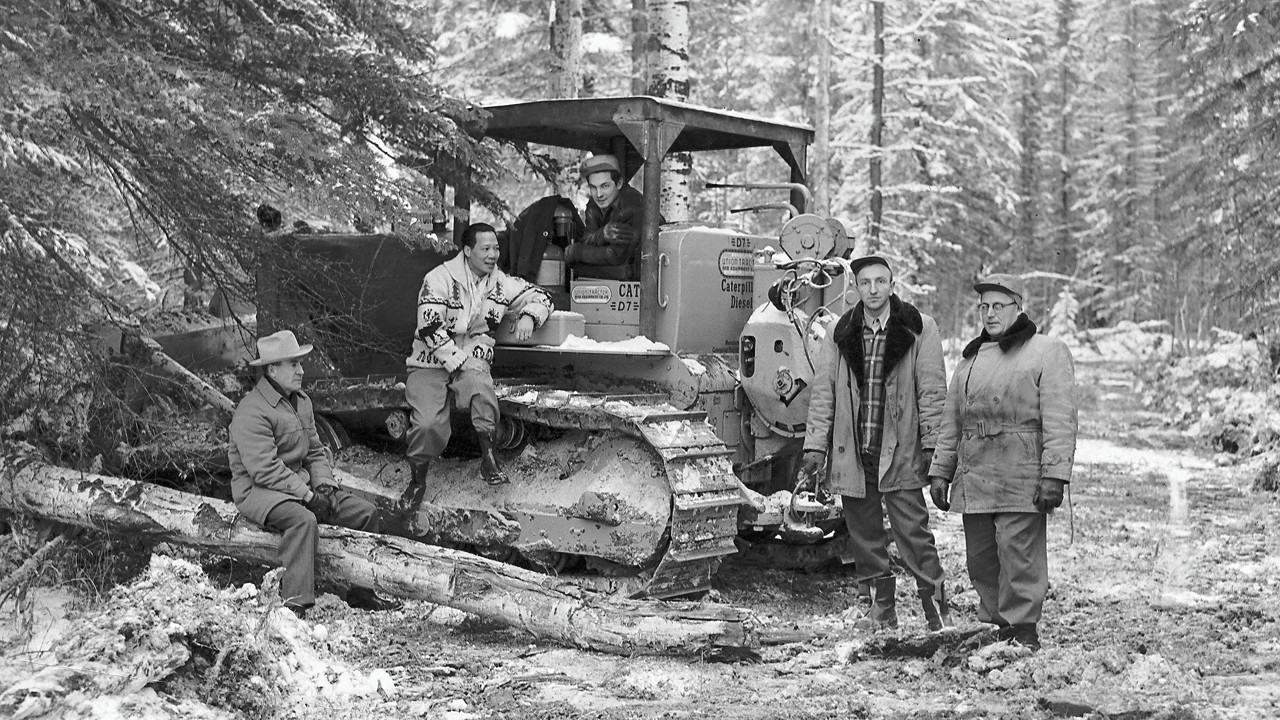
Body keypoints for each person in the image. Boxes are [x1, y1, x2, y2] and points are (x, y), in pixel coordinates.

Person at [799, 254, 951, 632]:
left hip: (900, 450)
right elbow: (824, 395)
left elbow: (932, 392)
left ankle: (938, 614)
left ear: (891, 285)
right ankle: (881, 615)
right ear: (855, 287)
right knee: (866, 537)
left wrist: (934, 452)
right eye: (865, 283)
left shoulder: (918, 329)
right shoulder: (841, 331)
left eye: (880, 282)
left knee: (914, 534)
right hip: (856, 449)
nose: (873, 290)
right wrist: (815, 449)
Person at [928, 273, 1078, 651]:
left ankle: (1022, 627)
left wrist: (1054, 475)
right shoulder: (969, 360)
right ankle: (998, 625)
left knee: (1019, 555)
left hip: (1020, 472)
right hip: (976, 474)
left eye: (998, 306)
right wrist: (940, 472)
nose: (990, 314)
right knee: (980, 559)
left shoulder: (1046, 351)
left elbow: (1061, 418)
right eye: (984, 307)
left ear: (1018, 308)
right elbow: (952, 422)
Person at [228, 330, 399, 618]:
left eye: (300, 363)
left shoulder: (300, 401)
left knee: (366, 513)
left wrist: (325, 488)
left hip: (299, 487)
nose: (301, 370)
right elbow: (264, 470)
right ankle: (295, 604)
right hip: (259, 492)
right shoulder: (252, 412)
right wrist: (308, 496)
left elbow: (316, 451)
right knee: (303, 521)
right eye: (293, 364)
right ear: (272, 369)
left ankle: (362, 592)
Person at [400, 222, 554, 508]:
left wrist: (530, 316)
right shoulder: (439, 279)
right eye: (485, 249)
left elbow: (542, 296)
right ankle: (417, 480)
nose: (493, 254)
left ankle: (489, 458)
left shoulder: (501, 283)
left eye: (496, 248)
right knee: (427, 424)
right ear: (468, 250)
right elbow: (429, 326)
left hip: (472, 361)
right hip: (430, 361)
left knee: (482, 390)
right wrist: (457, 359)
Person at [564, 154, 650, 281]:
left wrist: (575, 252)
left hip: (638, 278)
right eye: (593, 187)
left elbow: (615, 256)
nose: (599, 194)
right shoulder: (594, 205)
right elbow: (587, 239)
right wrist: (602, 235)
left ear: (619, 183)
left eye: (605, 186)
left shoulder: (631, 203)